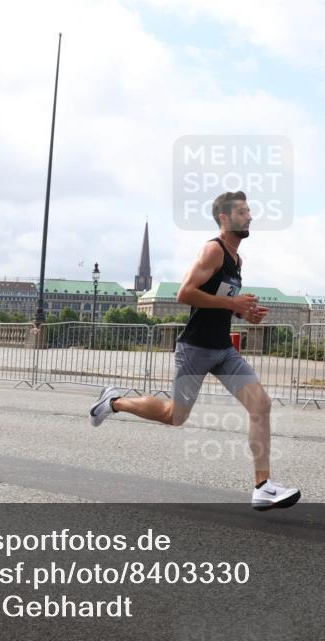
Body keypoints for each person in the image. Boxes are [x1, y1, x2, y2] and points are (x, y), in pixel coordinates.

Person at [89, 191, 300, 511]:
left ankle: (263, 486)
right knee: (174, 416)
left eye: (249, 211)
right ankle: (114, 402)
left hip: (222, 348)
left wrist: (243, 313)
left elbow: (215, 301)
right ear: (224, 219)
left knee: (261, 404)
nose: (249, 217)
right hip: (196, 349)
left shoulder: (236, 260)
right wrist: (233, 304)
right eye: (242, 212)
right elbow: (185, 293)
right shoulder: (213, 251)